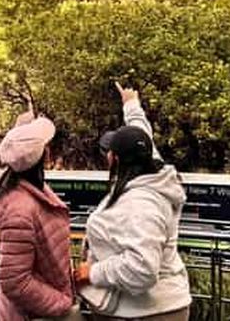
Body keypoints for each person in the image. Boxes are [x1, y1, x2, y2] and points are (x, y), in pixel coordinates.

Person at [75, 83, 191, 320]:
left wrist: (92, 272)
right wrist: (131, 104)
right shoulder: (155, 173)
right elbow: (142, 134)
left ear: (114, 158)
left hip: (147, 312)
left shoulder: (140, 204)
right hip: (157, 307)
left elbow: (142, 269)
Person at [0, 109, 81, 321]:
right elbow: (15, 281)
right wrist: (63, 304)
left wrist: (21, 128)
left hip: (39, 309)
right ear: (43, 155)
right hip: (33, 314)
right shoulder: (20, 210)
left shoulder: (22, 189)